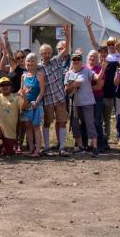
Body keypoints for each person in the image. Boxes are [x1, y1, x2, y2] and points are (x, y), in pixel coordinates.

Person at [84, 16, 119, 151]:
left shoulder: (113, 59)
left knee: (107, 120)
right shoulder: (97, 65)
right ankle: (98, 140)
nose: (103, 54)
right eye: (101, 52)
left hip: (110, 94)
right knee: (96, 119)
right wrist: (88, 27)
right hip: (98, 95)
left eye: (105, 52)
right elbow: (93, 42)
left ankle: (105, 140)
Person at [38, 23, 71, 156]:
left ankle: (62, 147)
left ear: (51, 53)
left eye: (48, 52)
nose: (46, 54)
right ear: (40, 54)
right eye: (44, 53)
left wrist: (67, 35)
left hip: (60, 97)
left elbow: (66, 50)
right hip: (47, 99)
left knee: (62, 121)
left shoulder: (56, 61)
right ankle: (46, 147)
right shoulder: (38, 67)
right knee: (47, 123)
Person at [65, 53, 106, 157]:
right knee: (75, 125)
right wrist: (73, 85)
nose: (76, 61)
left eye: (78, 59)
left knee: (90, 124)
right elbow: (66, 89)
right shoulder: (68, 74)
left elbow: (97, 78)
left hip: (87, 102)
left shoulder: (87, 71)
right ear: (72, 61)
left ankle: (95, 147)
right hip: (75, 104)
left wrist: (103, 69)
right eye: (74, 60)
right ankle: (80, 147)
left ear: (81, 61)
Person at [0, 76, 23, 159]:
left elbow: (24, 107)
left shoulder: (17, 97)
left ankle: (2, 147)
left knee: (9, 153)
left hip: (10, 131)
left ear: (11, 86)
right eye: (2, 85)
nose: (5, 86)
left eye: (7, 84)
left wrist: (25, 96)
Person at [19, 53, 48, 157]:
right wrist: (21, 93)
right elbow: (21, 89)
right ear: (25, 63)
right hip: (26, 105)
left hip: (36, 104)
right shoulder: (23, 76)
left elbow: (42, 90)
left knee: (36, 127)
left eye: (32, 61)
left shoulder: (39, 74)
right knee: (28, 127)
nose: (30, 63)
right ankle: (31, 149)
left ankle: (37, 150)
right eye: (28, 61)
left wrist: (36, 102)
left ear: (36, 63)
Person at [86, 50, 105, 147]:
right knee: (86, 121)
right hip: (85, 99)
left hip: (97, 98)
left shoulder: (100, 69)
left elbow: (99, 86)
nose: (92, 58)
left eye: (94, 56)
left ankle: (100, 144)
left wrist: (86, 88)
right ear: (87, 57)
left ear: (97, 58)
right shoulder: (83, 68)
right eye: (90, 56)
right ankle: (87, 144)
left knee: (97, 121)